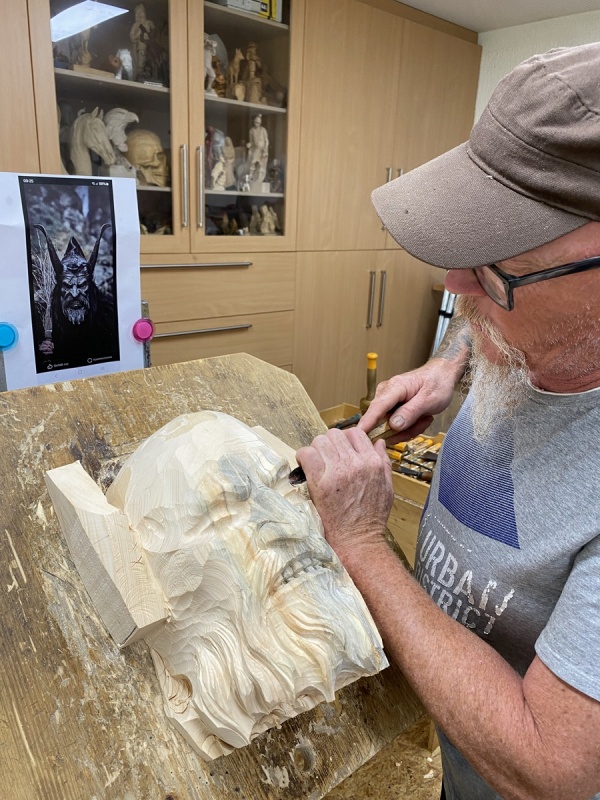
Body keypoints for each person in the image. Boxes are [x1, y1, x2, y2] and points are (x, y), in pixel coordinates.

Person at [296, 43, 600, 800]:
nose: (454, 285)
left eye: (496, 268)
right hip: (447, 741)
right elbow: (484, 310)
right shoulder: (546, 322)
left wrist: (362, 544)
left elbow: (548, 768)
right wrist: (458, 359)